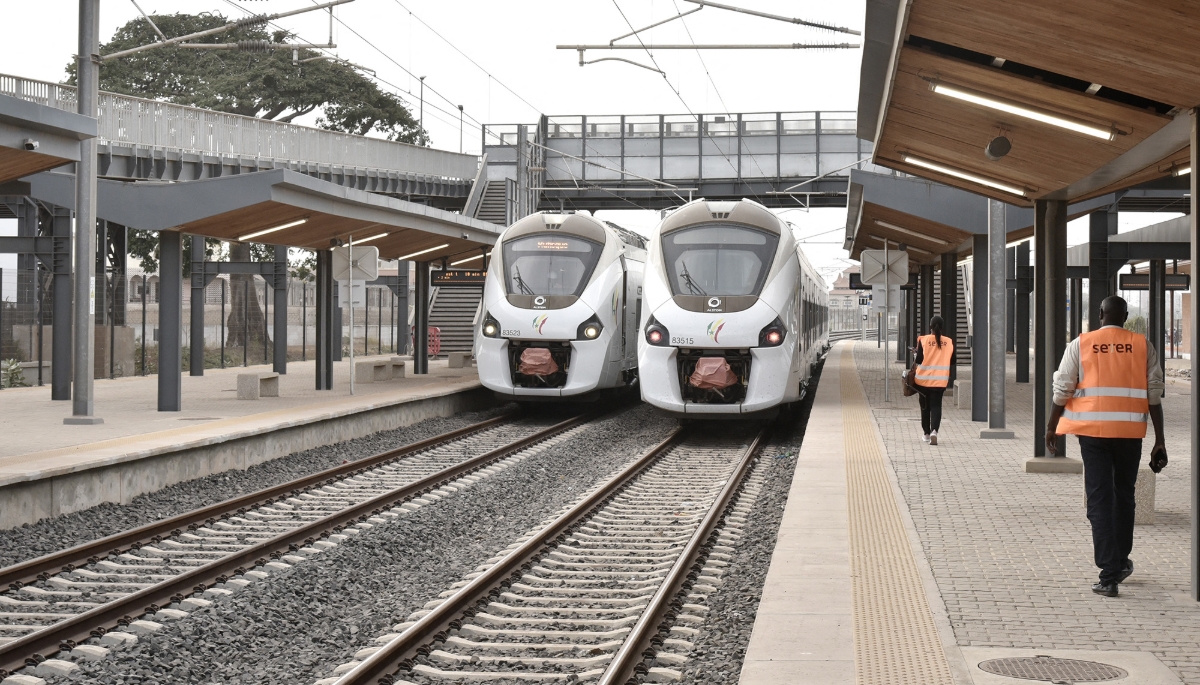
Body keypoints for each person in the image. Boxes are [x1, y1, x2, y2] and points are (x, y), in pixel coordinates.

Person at [1045, 295, 1166, 598]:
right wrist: (1160, 440)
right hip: (1129, 434)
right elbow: (1154, 394)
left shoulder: (1081, 344)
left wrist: (1051, 426)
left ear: (1099, 313)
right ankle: (1120, 562)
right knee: (1124, 497)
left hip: (1093, 434)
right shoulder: (1142, 346)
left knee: (1099, 499)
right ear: (1125, 316)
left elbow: (1062, 388)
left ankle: (1109, 574)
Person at [912, 315, 953, 445]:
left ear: (930, 327)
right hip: (940, 381)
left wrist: (915, 353)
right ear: (942, 327)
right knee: (936, 406)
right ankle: (935, 430)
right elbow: (953, 360)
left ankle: (926, 434)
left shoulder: (924, 340)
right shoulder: (948, 342)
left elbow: (918, 360)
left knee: (925, 407)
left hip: (923, 380)